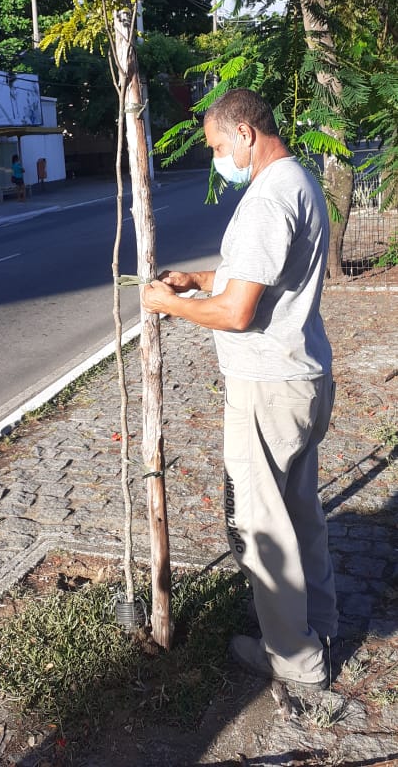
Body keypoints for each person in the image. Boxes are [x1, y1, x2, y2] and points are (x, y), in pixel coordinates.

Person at [141, 88, 337, 690]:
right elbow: (257, 278)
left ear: (246, 134)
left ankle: (296, 658)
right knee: (299, 513)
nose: (216, 159)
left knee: (261, 523)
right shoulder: (297, 180)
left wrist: (167, 304)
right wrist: (198, 280)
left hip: (267, 386)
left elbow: (237, 312)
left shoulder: (267, 198)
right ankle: (320, 625)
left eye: (217, 147)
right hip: (301, 376)